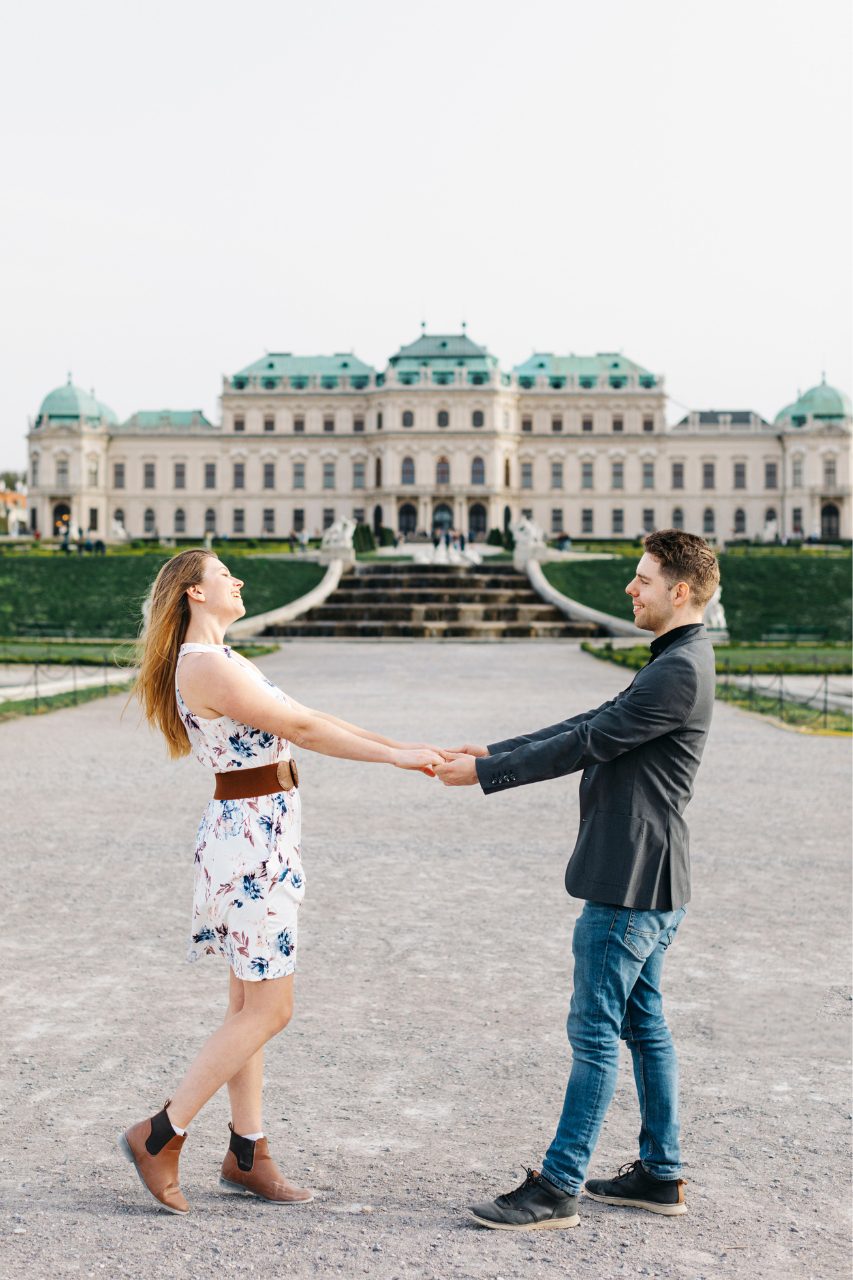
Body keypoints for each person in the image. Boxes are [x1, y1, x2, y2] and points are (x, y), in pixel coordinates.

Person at [122, 548, 442, 1215]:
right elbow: (298, 728)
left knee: (247, 1010)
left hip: (254, 833)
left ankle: (248, 1154)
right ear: (194, 594)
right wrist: (398, 758)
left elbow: (312, 716)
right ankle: (160, 1135)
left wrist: (412, 750)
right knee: (271, 1009)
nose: (237, 581)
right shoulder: (206, 664)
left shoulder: (224, 659)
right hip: (250, 845)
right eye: (223, 576)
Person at [435, 530, 719, 1230]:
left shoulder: (678, 668)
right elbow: (594, 721)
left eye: (643, 579)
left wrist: (485, 773)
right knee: (642, 1027)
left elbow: (590, 741)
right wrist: (497, 751)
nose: (631, 588)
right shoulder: (676, 660)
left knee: (594, 1033)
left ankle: (557, 1186)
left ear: (678, 590)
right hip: (652, 878)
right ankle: (659, 1173)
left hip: (627, 884)